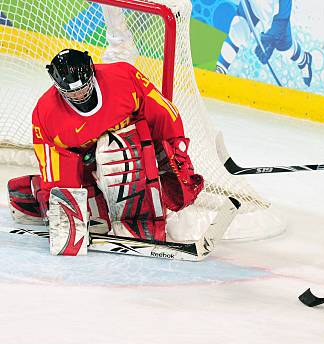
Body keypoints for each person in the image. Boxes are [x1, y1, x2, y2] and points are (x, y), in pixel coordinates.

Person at [7, 48, 204, 242]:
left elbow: (163, 112)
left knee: (113, 149)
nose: (80, 95)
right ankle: (31, 194)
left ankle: (135, 223)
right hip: (86, 168)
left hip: (132, 152)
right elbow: (55, 164)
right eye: (72, 93)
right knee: (97, 223)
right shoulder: (46, 114)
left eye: (83, 87)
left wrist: (175, 152)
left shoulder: (123, 77)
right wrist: (64, 204)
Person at [216, 0, 313, 86]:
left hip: (274, 16)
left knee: (285, 49)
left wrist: (270, 41)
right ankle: (220, 69)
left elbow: (282, 16)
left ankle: (304, 60)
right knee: (238, 30)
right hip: (251, 5)